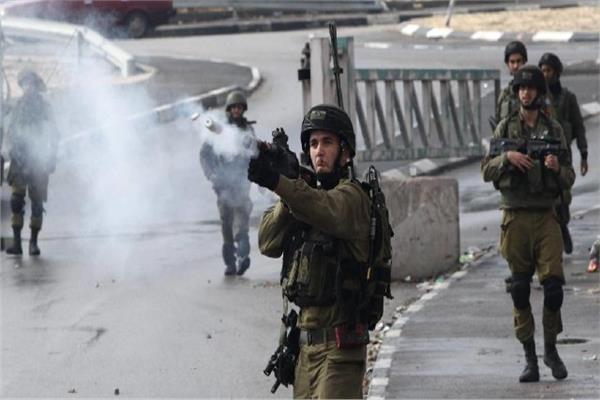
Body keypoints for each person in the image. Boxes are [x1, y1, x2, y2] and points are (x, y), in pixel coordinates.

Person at [250, 104, 371, 398]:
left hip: (340, 350)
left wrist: (279, 183)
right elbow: (267, 242)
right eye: (313, 144)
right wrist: (287, 192)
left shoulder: (353, 198)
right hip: (305, 349)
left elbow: (324, 209)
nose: (319, 151)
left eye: (327, 142)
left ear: (345, 152)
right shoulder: (302, 198)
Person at [482, 65, 575, 383]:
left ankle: (550, 349)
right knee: (520, 288)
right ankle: (529, 358)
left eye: (531, 88)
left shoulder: (554, 129)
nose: (525, 93)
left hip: (546, 215)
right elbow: (486, 170)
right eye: (521, 89)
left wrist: (555, 167)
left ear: (539, 92)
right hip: (515, 216)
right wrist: (507, 158)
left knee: (553, 289)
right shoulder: (505, 129)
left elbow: (569, 177)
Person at [199, 90, 255, 276]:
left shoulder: (247, 131)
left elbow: (254, 154)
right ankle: (230, 263)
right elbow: (204, 154)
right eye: (234, 107)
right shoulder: (218, 128)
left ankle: (243, 257)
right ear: (229, 109)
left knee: (242, 225)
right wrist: (211, 174)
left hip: (241, 184)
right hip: (223, 186)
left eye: (240, 107)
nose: (237, 110)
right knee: (226, 226)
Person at [538, 52, 588, 254]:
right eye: (542, 70)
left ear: (556, 72)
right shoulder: (538, 98)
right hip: (543, 153)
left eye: (548, 70)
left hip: (563, 154)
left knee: (563, 192)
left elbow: (579, 126)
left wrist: (584, 154)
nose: (545, 74)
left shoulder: (567, 98)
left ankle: (563, 226)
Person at [5, 69, 58, 256]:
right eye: (25, 84)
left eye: (31, 84)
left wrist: (51, 157)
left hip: (38, 159)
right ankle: (17, 243)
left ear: (36, 86)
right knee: (16, 201)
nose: (28, 88)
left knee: (36, 202)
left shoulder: (45, 108)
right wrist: (11, 151)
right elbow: (10, 131)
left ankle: (33, 243)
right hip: (20, 158)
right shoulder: (18, 106)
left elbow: (54, 134)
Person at [496, 41, 528, 122]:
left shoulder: (535, 90)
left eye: (519, 61)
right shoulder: (505, 95)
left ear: (524, 62)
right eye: (512, 62)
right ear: (507, 64)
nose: (516, 66)